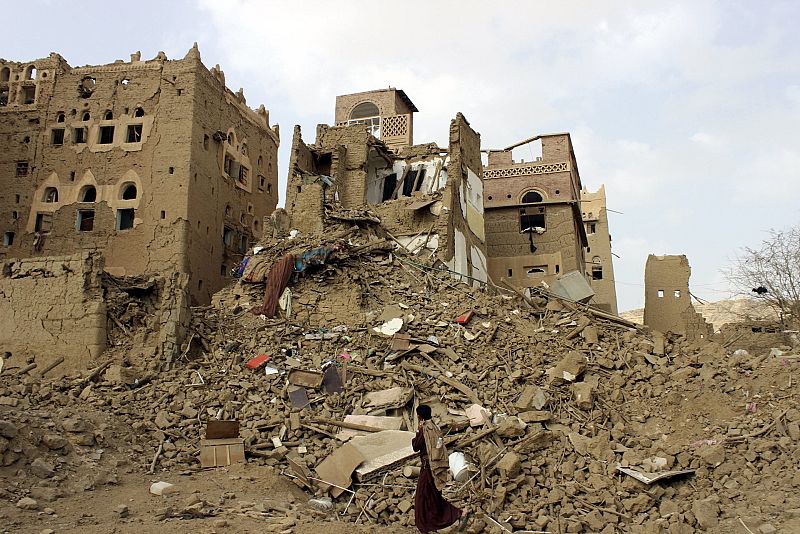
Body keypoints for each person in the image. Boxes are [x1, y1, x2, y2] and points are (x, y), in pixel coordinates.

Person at [412, 404, 467, 533]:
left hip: (428, 467)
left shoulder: (425, 429)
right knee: (434, 495)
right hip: (435, 466)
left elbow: (416, 446)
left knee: (423, 497)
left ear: (420, 417)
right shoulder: (435, 427)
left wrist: (418, 431)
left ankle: (447, 517)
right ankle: (456, 514)